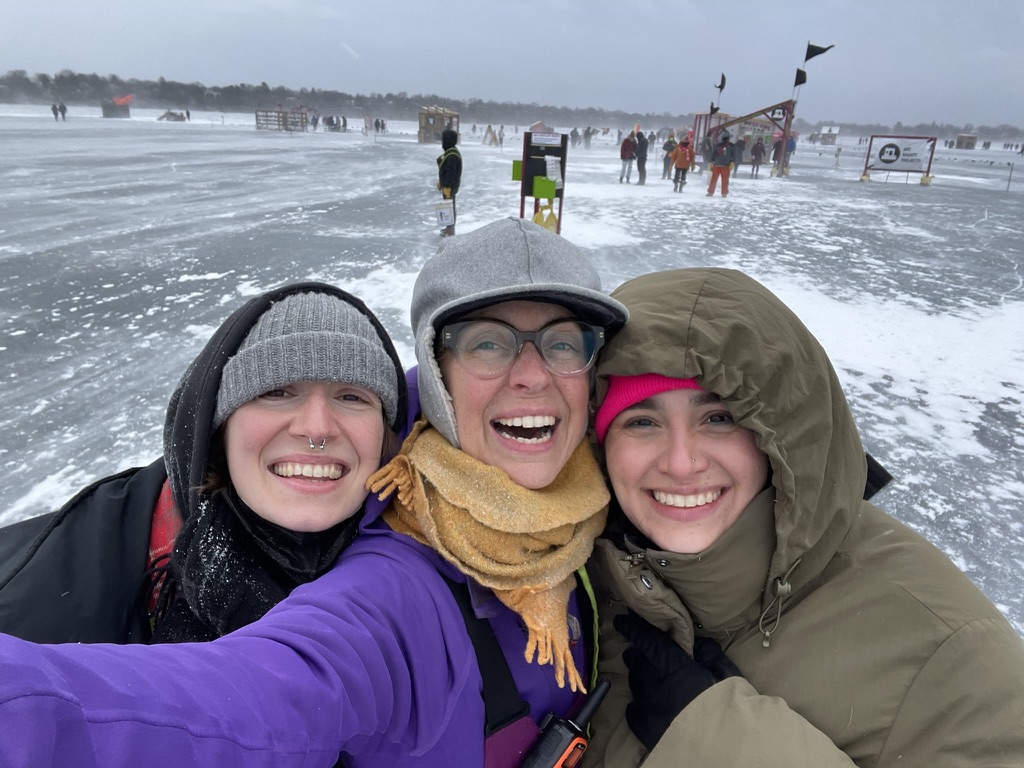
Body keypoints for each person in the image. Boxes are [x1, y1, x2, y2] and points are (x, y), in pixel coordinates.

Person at [0, 217, 628, 768]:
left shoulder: (610, 497)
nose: (530, 375)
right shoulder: (395, 584)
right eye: (487, 343)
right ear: (437, 375)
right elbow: (263, 698)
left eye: (562, 343)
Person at [583, 267, 1024, 766]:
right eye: (642, 421)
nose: (681, 462)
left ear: (780, 437)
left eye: (719, 419)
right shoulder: (577, 581)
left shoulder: (955, 656)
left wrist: (720, 743)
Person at [0, 282, 406, 646]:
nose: (317, 430)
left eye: (352, 397)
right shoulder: (31, 605)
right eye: (278, 391)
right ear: (217, 429)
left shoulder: (427, 579)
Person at [436, 127, 462, 237]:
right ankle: (448, 228)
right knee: (448, 207)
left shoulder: (452, 155)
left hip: (450, 187)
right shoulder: (451, 153)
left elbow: (451, 173)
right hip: (448, 185)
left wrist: (447, 186)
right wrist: (442, 183)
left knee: (449, 207)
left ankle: (450, 229)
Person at [705, 129, 735, 198]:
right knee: (724, 180)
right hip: (725, 165)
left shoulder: (718, 145)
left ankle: (711, 192)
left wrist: (711, 161)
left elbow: (713, 155)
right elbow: (734, 155)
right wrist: (733, 162)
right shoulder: (731, 146)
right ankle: (723, 193)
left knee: (714, 179)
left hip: (718, 164)